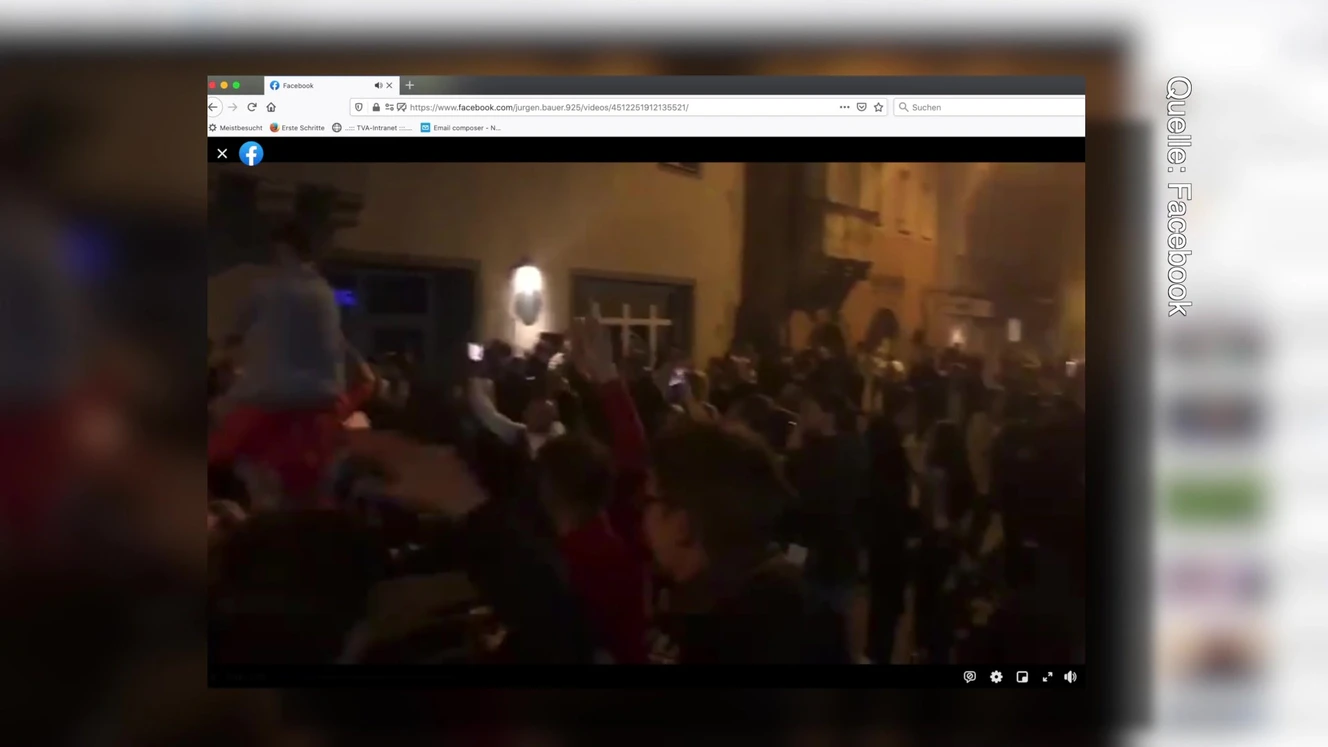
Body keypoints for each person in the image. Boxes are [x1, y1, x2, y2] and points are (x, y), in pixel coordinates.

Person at [646, 419, 850, 663]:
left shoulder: (722, 633)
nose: (642, 515)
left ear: (683, 523)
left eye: (648, 500)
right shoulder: (801, 607)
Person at [207, 221, 349, 509]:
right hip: (323, 397)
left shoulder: (268, 288)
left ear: (283, 249)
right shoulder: (324, 292)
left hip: (272, 394)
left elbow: (233, 333)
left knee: (218, 435)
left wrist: (220, 354)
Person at [784, 391, 868, 617]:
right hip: (833, 545)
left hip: (816, 544)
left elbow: (792, 485)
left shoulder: (819, 451)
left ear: (827, 415)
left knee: (811, 609)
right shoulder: (853, 446)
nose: (802, 417)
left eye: (808, 411)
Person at [862, 416, 911, 664]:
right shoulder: (900, 469)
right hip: (895, 548)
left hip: (876, 546)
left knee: (875, 609)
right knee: (887, 610)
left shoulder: (869, 470)